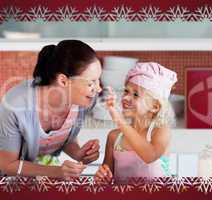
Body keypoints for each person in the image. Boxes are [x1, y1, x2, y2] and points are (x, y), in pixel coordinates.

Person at [0, 40, 102, 179]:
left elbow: (56, 137)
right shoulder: (15, 106)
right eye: (91, 82)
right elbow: (7, 165)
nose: (98, 89)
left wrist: (79, 154)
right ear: (63, 81)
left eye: (98, 80)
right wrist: (56, 172)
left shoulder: (84, 100)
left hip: (42, 178)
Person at [94, 62, 177, 184]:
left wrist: (119, 119)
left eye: (136, 94)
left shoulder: (161, 131)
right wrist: (102, 177)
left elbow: (149, 156)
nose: (126, 98)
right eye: (126, 91)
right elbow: (106, 180)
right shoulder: (114, 137)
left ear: (155, 106)